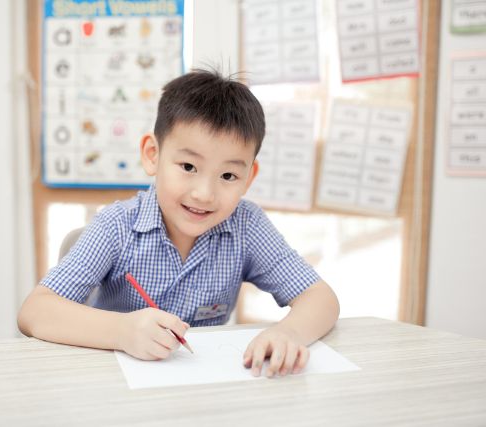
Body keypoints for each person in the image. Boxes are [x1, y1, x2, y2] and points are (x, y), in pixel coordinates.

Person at [18, 69, 340, 378]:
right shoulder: (116, 226)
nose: (204, 194)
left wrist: (288, 332)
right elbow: (35, 312)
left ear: (248, 179)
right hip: (115, 384)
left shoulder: (246, 226)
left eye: (228, 175)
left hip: (199, 389)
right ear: (152, 155)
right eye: (188, 166)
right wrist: (122, 331)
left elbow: (321, 298)